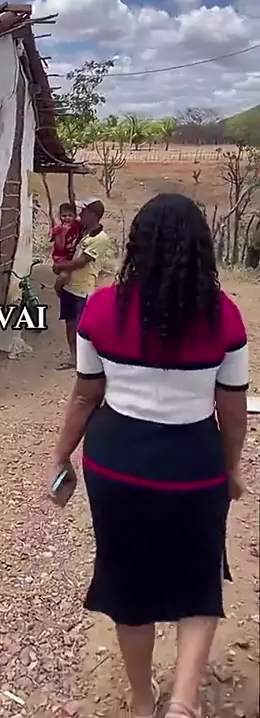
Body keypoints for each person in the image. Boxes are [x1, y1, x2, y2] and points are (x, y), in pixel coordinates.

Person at [48, 193, 249, 718]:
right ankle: (182, 703)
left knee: (128, 583)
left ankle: (142, 700)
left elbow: (85, 396)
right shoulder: (225, 317)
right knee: (199, 578)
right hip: (194, 467)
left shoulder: (100, 309)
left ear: (136, 245)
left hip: (117, 466)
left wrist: (60, 457)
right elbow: (233, 413)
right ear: (202, 249)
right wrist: (231, 468)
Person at [54, 200, 109, 370]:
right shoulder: (83, 230)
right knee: (70, 322)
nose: (80, 215)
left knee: (82, 326)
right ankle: (74, 357)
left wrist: (60, 266)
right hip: (70, 284)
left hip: (83, 287)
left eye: (83, 212)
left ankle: (87, 359)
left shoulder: (100, 238)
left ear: (93, 215)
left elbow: (82, 261)